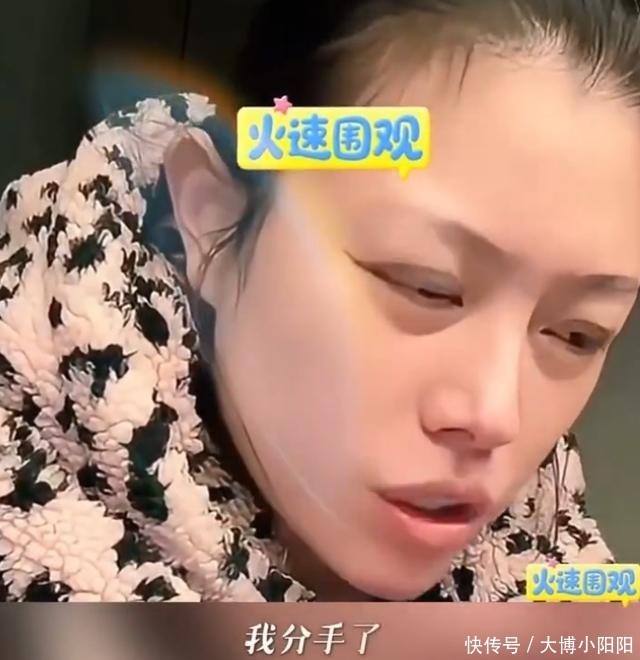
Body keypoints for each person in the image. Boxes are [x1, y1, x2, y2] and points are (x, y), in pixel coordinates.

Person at [0, 0, 638, 603]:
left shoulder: (558, 581)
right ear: (210, 213)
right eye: (428, 286)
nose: (496, 415)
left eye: (577, 333)